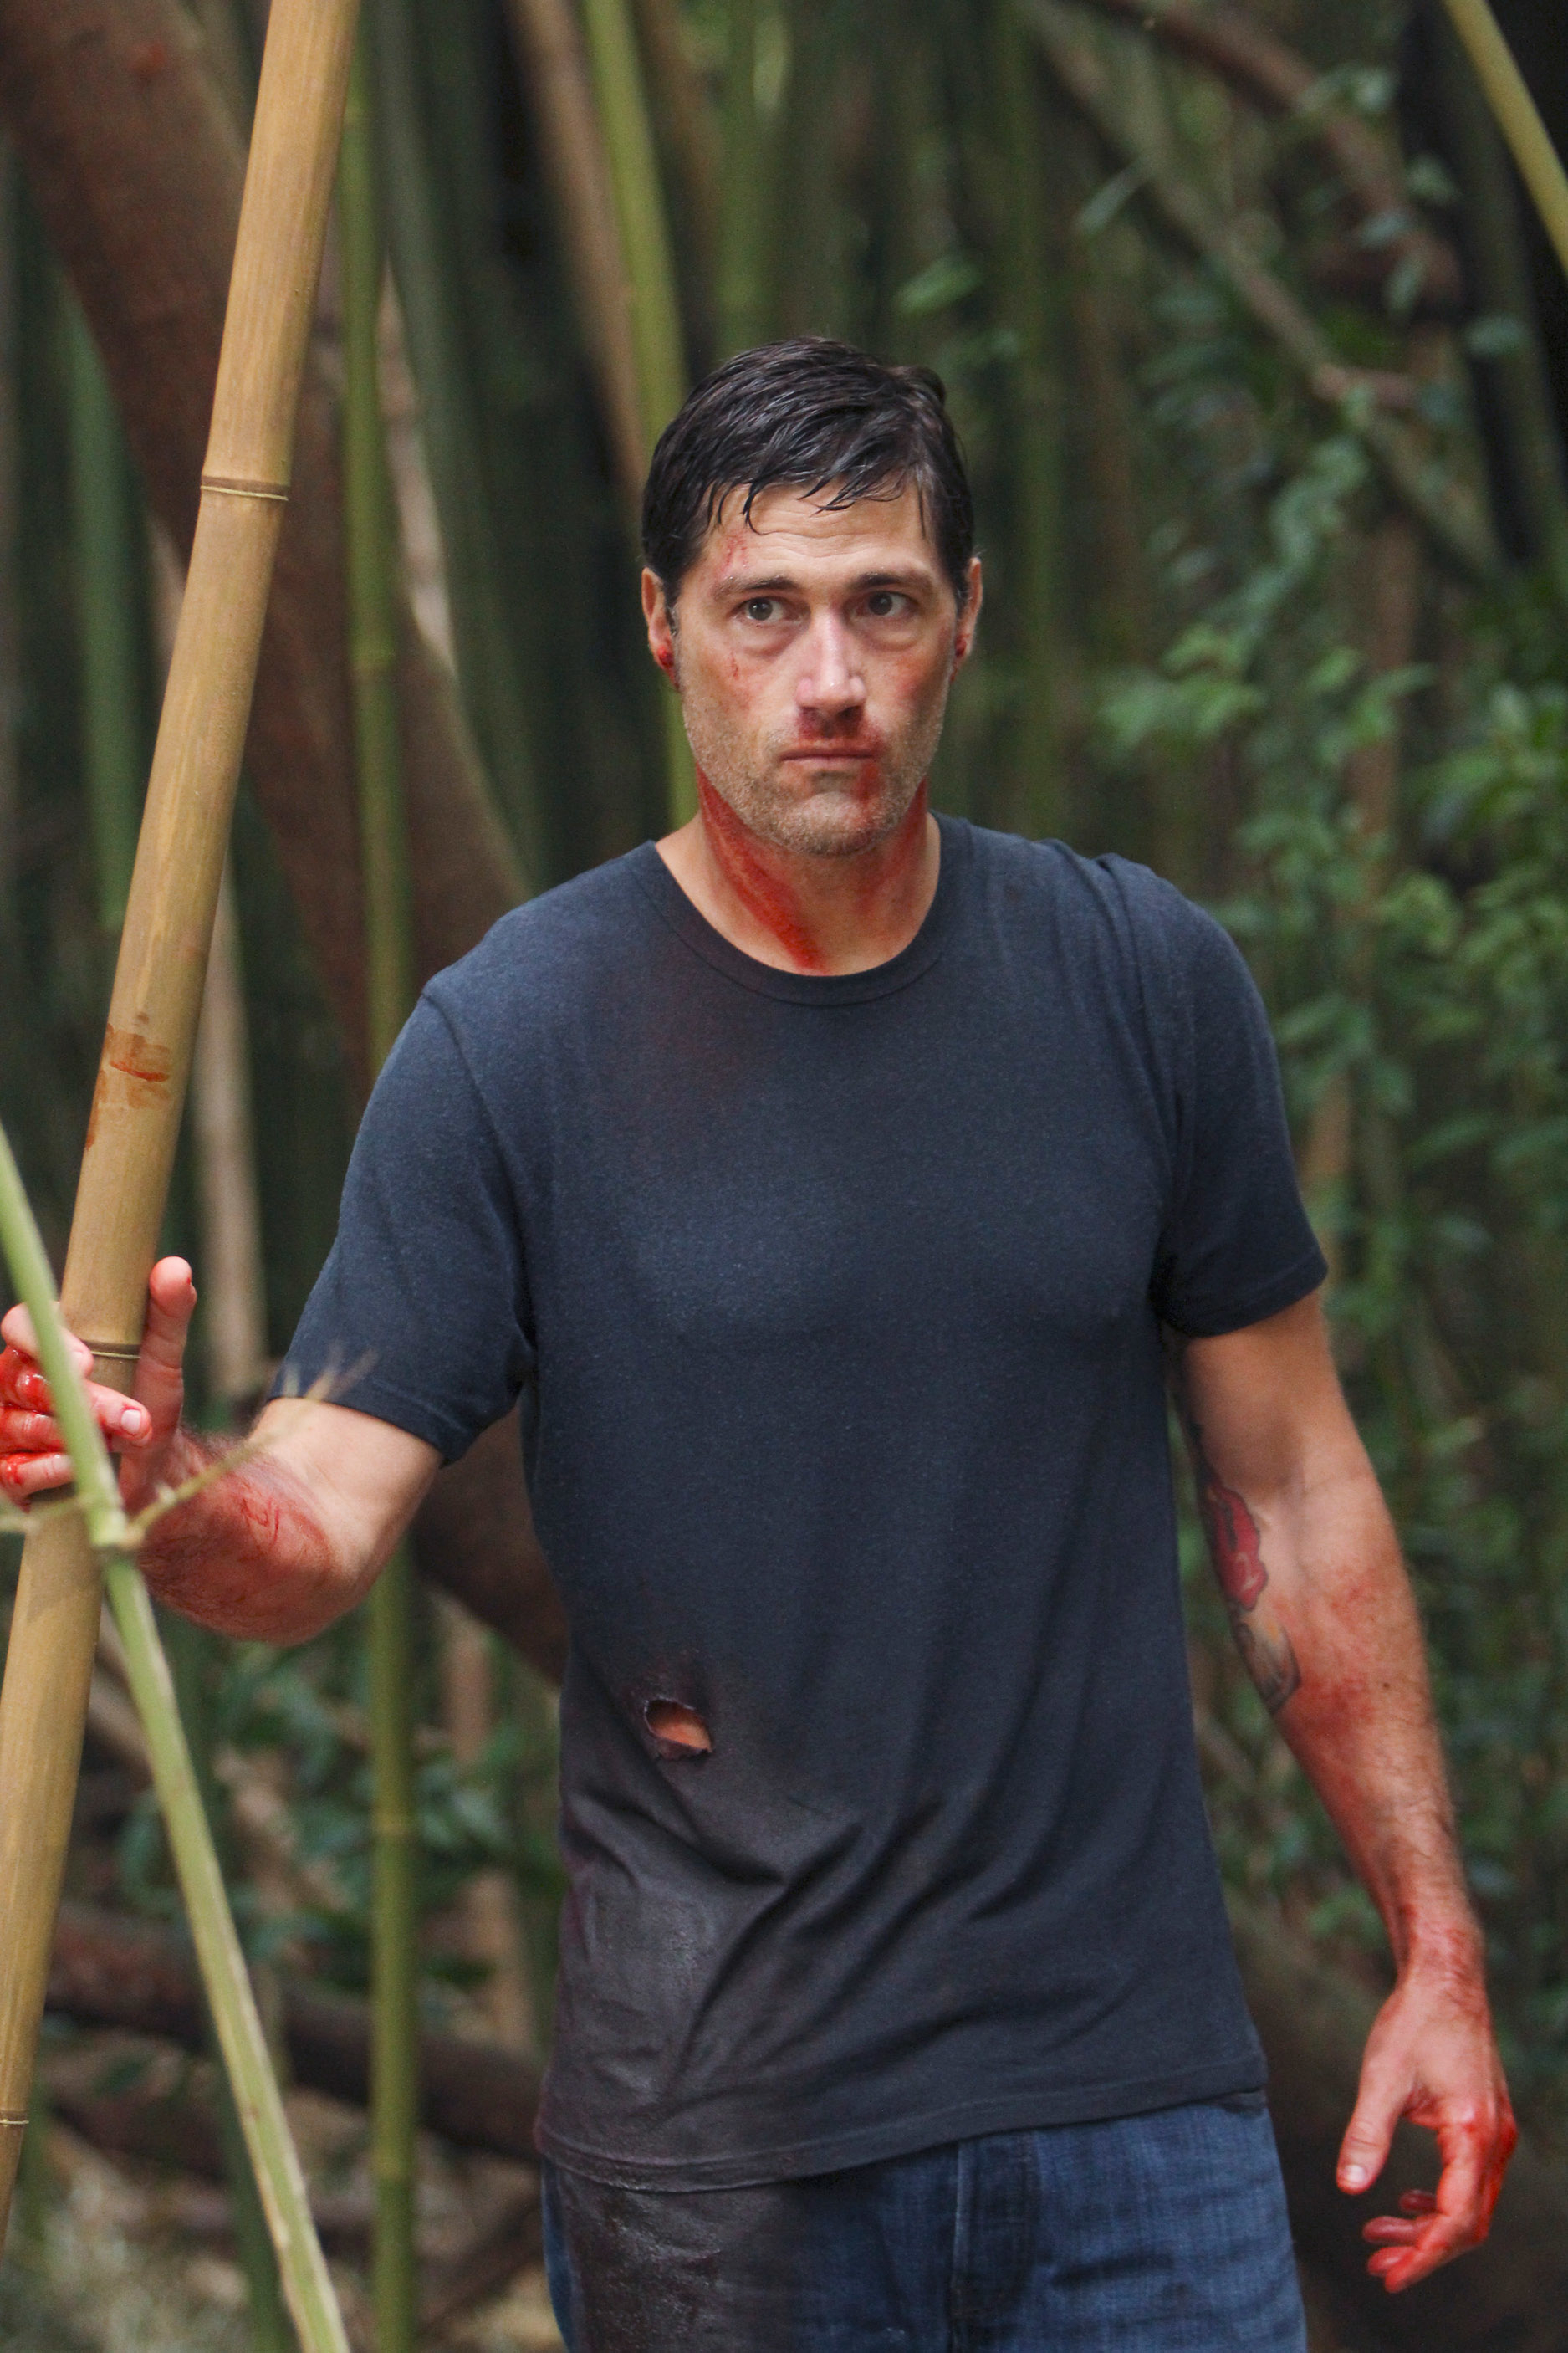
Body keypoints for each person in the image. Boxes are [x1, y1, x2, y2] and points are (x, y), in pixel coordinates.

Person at [2, 339, 1514, 2350]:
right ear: (661, 630)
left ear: (961, 618)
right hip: (715, 2156)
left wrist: (1432, 1949)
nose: (829, 678)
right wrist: (165, 1491)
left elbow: (1296, 1496)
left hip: (1129, 2115)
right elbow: (317, 1524)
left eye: (883, 604)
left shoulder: (1141, 985)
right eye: (763, 612)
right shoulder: (511, 1043)